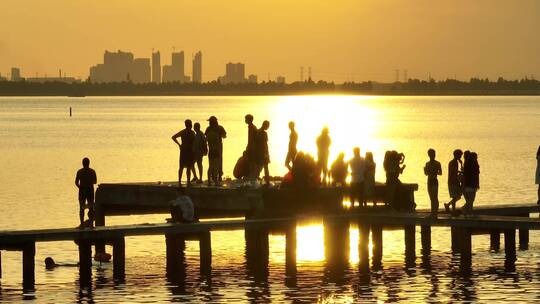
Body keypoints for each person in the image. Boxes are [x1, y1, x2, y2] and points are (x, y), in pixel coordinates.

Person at [172, 120, 195, 187]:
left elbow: (174, 137)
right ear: (188, 125)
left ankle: (183, 181)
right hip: (188, 151)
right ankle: (185, 181)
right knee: (187, 167)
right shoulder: (191, 133)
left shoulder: (183, 132)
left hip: (185, 150)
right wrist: (179, 144)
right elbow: (173, 137)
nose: (191, 125)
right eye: (190, 124)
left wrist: (179, 145)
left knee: (184, 167)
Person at [75, 157, 97, 229]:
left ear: (82, 163)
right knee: (91, 208)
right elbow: (95, 182)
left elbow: (76, 182)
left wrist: (80, 187)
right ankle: (91, 224)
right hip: (90, 191)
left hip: (82, 191)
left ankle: (82, 224)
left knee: (81, 208)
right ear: (89, 163)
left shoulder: (79, 172)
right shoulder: (92, 171)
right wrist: (89, 182)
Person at [205, 116, 227, 186]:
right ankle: (217, 179)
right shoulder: (220, 128)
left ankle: (210, 180)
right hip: (218, 148)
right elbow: (224, 136)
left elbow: (205, 138)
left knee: (211, 165)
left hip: (211, 149)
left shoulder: (208, 129)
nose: (209, 123)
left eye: (210, 122)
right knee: (218, 163)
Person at [424, 149, 443, 217]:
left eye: (434, 154)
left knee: (435, 197)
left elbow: (440, 173)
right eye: (431, 154)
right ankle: (433, 212)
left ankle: (435, 212)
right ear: (429, 155)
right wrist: (425, 170)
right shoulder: (427, 163)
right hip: (429, 181)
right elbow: (426, 174)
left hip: (434, 181)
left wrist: (434, 172)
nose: (433, 156)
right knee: (431, 197)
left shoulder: (437, 163)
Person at [256, 120, 271, 185]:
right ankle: (267, 181)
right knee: (265, 167)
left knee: (258, 167)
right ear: (265, 125)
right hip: (263, 152)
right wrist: (266, 154)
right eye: (268, 126)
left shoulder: (257, 131)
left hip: (259, 152)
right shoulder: (264, 133)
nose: (268, 128)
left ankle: (257, 179)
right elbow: (265, 144)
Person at [245, 114, 258, 182]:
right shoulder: (251, 127)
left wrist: (248, 147)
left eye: (246, 119)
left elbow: (251, 138)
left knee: (251, 163)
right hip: (252, 147)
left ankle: (252, 178)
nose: (245, 120)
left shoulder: (252, 127)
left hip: (252, 148)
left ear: (249, 120)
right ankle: (252, 177)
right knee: (251, 163)